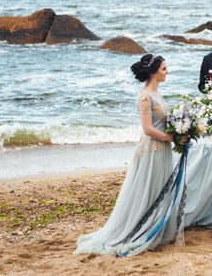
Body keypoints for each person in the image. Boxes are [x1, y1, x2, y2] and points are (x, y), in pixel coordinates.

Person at [75, 54, 187, 256]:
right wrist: (170, 138)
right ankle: (140, 229)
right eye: (164, 69)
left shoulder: (157, 93)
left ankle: (155, 226)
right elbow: (147, 129)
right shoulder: (145, 96)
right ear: (154, 72)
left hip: (162, 149)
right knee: (147, 190)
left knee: (159, 189)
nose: (167, 71)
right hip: (152, 150)